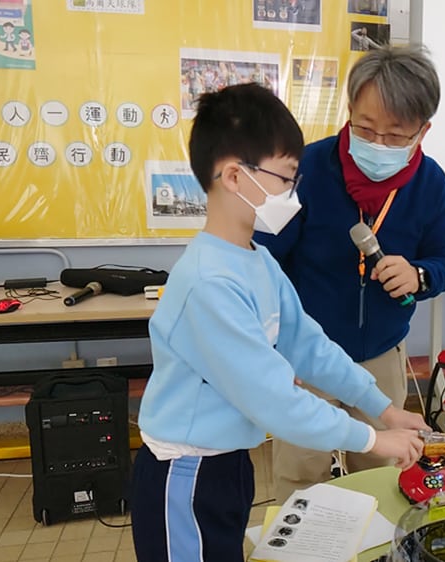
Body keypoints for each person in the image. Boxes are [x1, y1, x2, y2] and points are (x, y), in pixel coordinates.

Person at [131, 84, 428, 561]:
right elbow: (276, 400)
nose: (294, 192)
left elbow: (310, 345)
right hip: (184, 473)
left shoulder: (256, 259)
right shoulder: (209, 282)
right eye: (286, 177)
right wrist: (374, 439)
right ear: (234, 176)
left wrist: (384, 409)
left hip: (228, 460)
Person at [255, 46, 445, 502]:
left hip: (381, 355)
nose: (378, 144)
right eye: (365, 129)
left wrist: (420, 275)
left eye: (395, 134)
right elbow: (262, 258)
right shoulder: (306, 168)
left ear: (422, 130)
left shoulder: (431, 184)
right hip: (305, 354)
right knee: (299, 470)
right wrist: (273, 345)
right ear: (349, 111)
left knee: (383, 469)